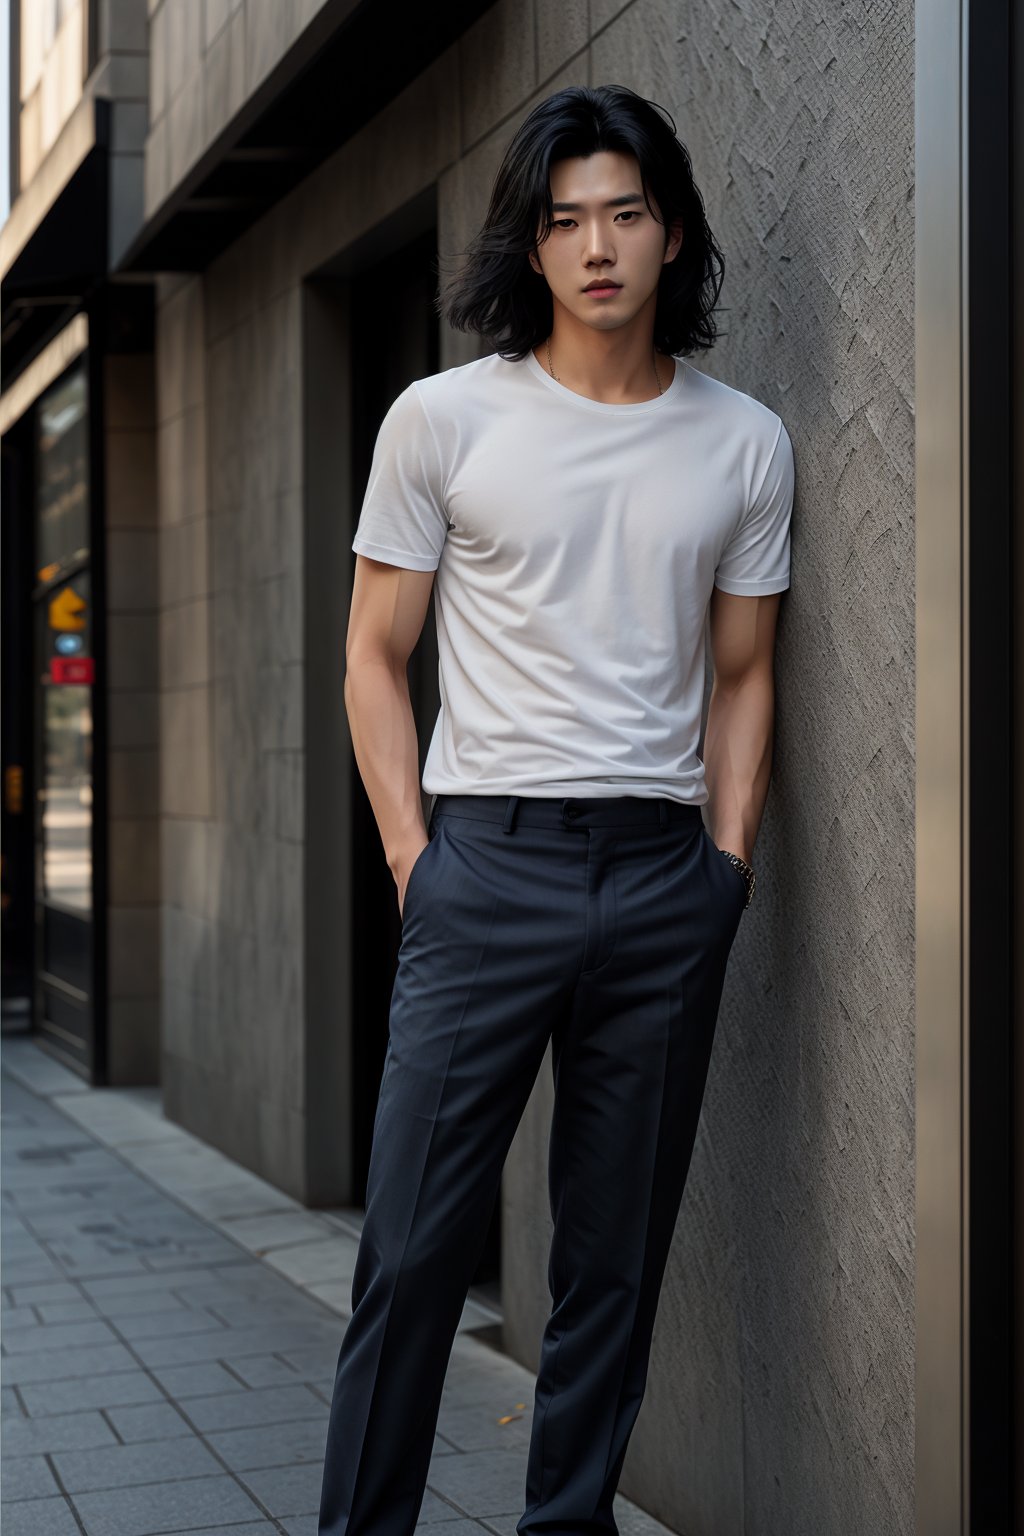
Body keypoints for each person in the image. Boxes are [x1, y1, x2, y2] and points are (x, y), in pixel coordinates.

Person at [318, 82, 794, 1536]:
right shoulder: (444, 420)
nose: (597, 246)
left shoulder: (744, 441)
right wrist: (417, 860)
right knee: (407, 1252)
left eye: (626, 214)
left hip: (660, 883)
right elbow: (373, 659)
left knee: (613, 1266)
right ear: (530, 244)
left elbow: (746, 675)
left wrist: (723, 869)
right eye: (566, 217)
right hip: (487, 866)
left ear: (671, 234)